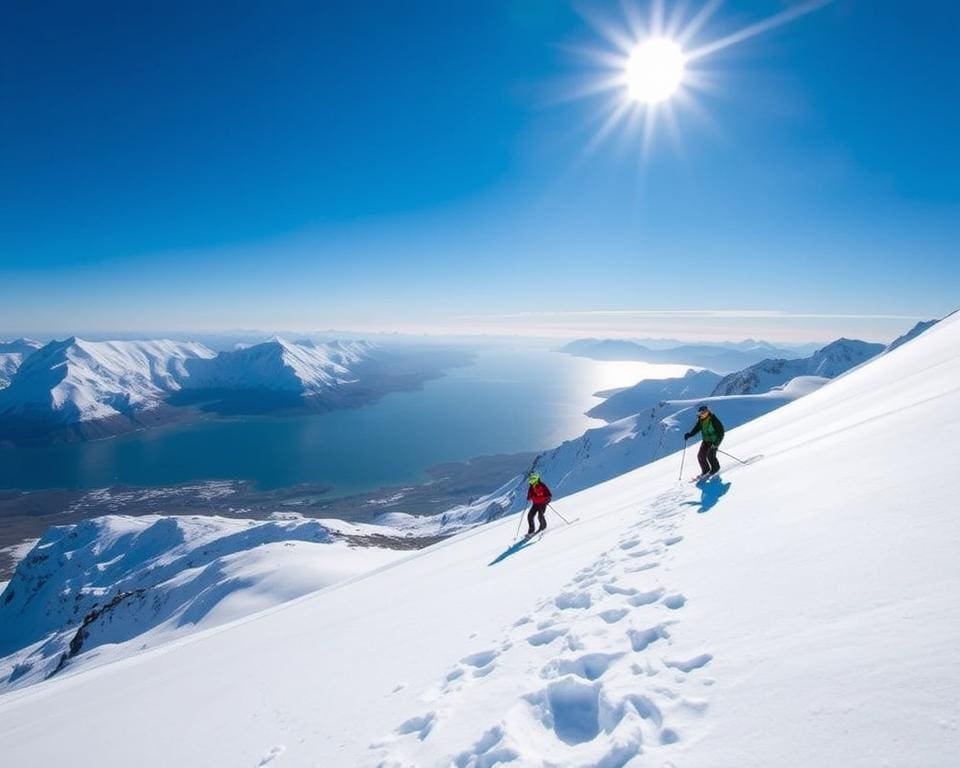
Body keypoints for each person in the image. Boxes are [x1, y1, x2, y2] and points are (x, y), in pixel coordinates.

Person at [684, 404, 725, 479]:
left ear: (707, 412)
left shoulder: (713, 419)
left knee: (710, 455)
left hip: (714, 441)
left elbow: (721, 432)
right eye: (701, 413)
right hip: (706, 441)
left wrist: (716, 443)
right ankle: (706, 471)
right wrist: (690, 435)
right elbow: (696, 429)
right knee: (700, 456)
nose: (703, 414)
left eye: (704, 412)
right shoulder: (701, 420)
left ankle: (715, 469)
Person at [525, 472, 552, 537]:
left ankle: (543, 526)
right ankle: (531, 531)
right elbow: (529, 495)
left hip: (542, 504)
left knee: (540, 515)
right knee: (530, 516)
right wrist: (529, 497)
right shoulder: (531, 486)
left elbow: (549, 494)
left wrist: (547, 500)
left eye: (532, 479)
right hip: (535, 504)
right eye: (530, 479)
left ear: (536, 479)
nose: (531, 480)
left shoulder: (542, 485)